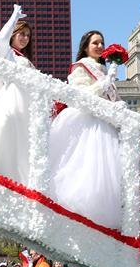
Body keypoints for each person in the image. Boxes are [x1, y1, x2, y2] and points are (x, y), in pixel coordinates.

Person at [47, 30, 123, 230]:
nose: (99, 46)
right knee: (86, 168)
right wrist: (103, 84)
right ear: (85, 46)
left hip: (105, 122)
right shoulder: (80, 67)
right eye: (95, 43)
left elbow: (111, 96)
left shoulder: (105, 69)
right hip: (88, 122)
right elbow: (80, 96)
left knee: (107, 174)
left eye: (102, 43)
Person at [0, 4, 36, 183]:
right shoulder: (7, 53)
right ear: (13, 34)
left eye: (28, 35)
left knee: (23, 148)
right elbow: (1, 39)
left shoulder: (24, 59)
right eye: (21, 34)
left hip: (26, 107)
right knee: (8, 144)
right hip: (11, 103)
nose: (25, 38)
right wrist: (14, 17)